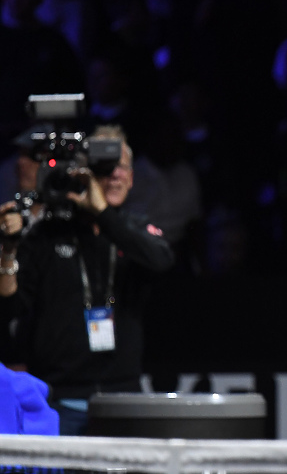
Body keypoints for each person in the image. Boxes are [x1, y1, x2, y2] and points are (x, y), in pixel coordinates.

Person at [0, 124, 174, 435]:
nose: (115, 175)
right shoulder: (48, 235)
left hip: (123, 401)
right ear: (84, 173)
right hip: (59, 401)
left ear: (133, 177)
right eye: (105, 167)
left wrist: (103, 214)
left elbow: (162, 262)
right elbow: (10, 307)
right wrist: (8, 252)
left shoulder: (135, 230)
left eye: (122, 167)